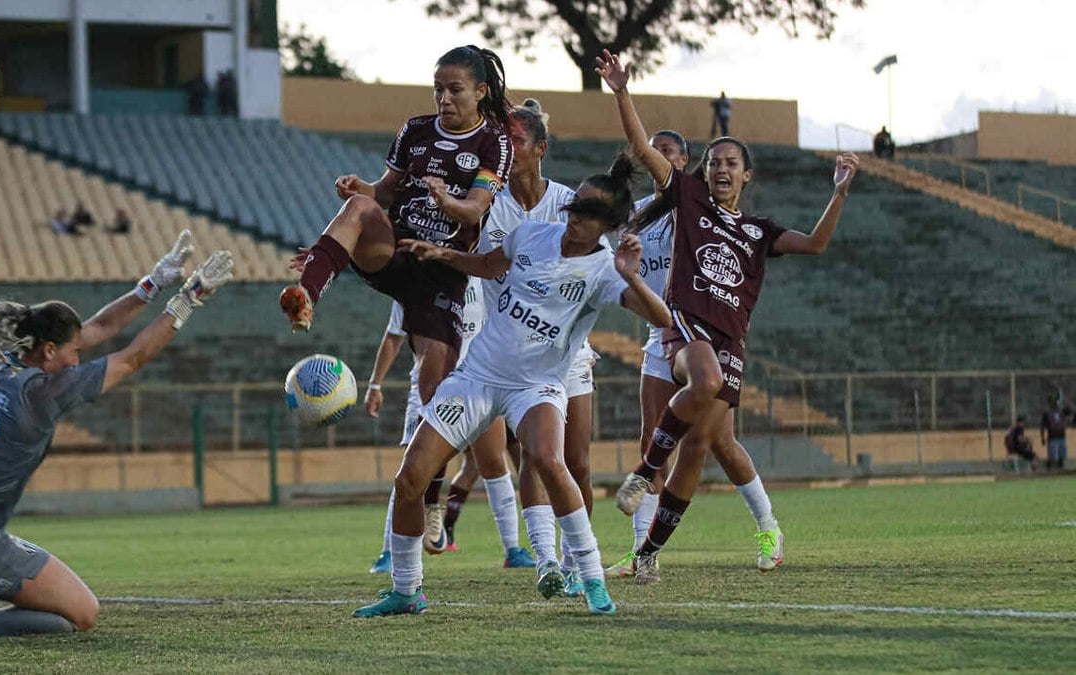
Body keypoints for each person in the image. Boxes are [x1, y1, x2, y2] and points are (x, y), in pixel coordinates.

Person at [352, 154, 672, 618]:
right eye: (574, 206)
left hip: (537, 385)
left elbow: (661, 318)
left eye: (586, 213)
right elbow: (488, 265)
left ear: (608, 224)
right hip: (479, 375)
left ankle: (592, 577)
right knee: (410, 477)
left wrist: (630, 277)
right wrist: (444, 254)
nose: (574, 217)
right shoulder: (531, 235)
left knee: (547, 459)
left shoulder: (605, 269)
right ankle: (406, 590)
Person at [0, 231, 234, 638]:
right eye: (72, 352)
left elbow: (97, 327)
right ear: (48, 351)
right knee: (81, 613)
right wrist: (188, 300)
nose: (77, 357)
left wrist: (149, 285)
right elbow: (132, 358)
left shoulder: (5, 361)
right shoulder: (45, 393)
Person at [596, 49, 859, 583]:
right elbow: (644, 148)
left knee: (703, 447)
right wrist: (623, 93)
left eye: (729, 163)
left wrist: (838, 193)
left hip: (729, 338)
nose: (718, 169)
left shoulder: (758, 230)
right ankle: (645, 477)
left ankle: (654, 551)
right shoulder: (685, 197)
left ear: (746, 176)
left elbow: (815, 243)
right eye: (712, 162)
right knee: (676, 417)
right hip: (679, 326)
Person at [279, 45, 513, 525]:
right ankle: (307, 294)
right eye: (438, 88)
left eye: (455, 90)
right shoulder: (415, 130)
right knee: (361, 212)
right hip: (395, 251)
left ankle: (429, 494)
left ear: (481, 91)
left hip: (443, 269)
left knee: (435, 387)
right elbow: (384, 192)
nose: (443, 99)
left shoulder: (494, 143)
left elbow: (474, 210)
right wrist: (360, 189)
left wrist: (446, 199)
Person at [472, 98, 601, 596]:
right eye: (501, 142)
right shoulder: (487, 203)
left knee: (578, 462)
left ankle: (575, 560)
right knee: (534, 454)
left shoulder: (569, 204)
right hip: (516, 354)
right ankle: (547, 559)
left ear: (540, 149)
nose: (507, 150)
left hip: (568, 352)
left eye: (516, 142)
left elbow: (595, 271)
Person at [365, 281, 535, 572]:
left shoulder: (483, 279)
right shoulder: (417, 280)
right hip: (430, 382)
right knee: (413, 466)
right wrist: (374, 384)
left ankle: (514, 549)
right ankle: (389, 552)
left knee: (493, 461)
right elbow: (394, 336)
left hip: (479, 379)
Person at [1040, 394, 1069, 469]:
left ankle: (1060, 468)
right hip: (1053, 436)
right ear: (1049, 403)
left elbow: (1072, 409)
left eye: (1056, 401)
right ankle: (1049, 468)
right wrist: (1042, 437)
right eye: (1052, 401)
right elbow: (1042, 426)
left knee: (1062, 455)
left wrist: (1065, 401)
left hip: (1062, 436)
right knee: (1052, 455)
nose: (1055, 403)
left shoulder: (1062, 411)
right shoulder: (1047, 413)